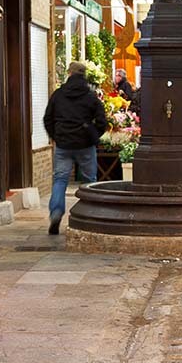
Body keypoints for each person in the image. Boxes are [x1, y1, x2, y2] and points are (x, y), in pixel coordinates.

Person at [43, 61, 108, 235]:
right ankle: (90, 216)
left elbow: (47, 118)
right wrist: (93, 134)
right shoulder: (90, 96)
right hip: (85, 145)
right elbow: (102, 121)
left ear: (69, 74)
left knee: (60, 180)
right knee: (89, 181)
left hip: (63, 144)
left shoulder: (58, 95)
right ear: (84, 76)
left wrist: (56, 136)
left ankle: (56, 213)